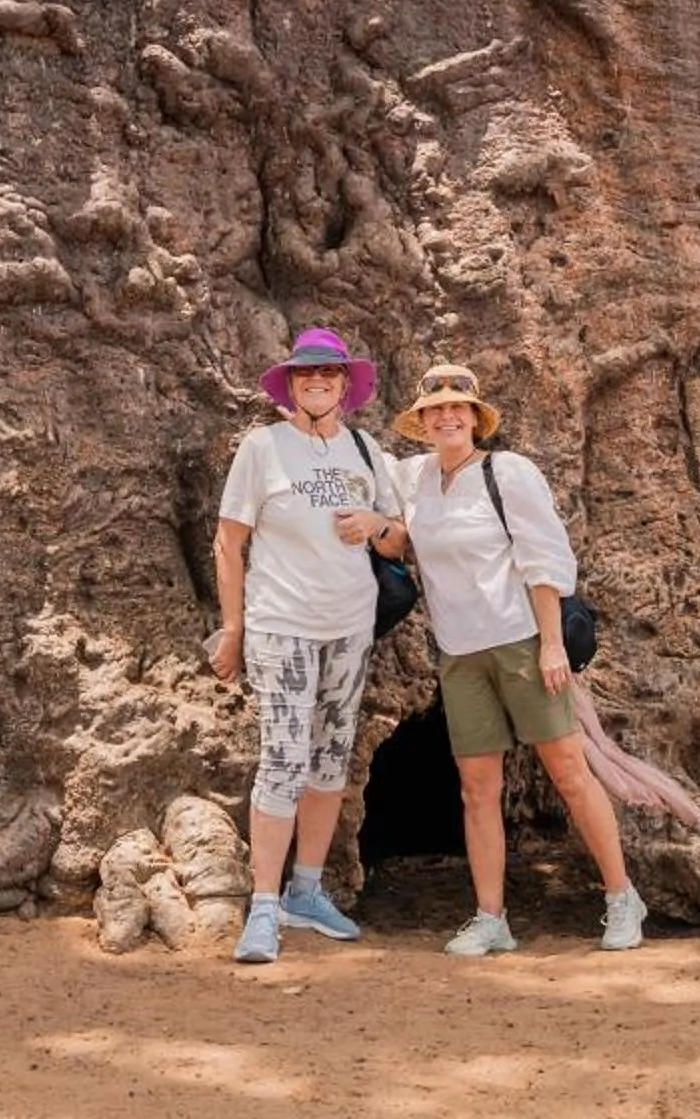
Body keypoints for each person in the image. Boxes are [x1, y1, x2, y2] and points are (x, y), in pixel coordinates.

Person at [366, 363, 646, 956]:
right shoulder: (414, 479)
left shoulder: (508, 473)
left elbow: (543, 558)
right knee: (477, 787)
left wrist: (551, 644)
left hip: (521, 642)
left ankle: (623, 898)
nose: (447, 416)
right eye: (435, 409)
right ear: (421, 421)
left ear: (475, 417)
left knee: (569, 771)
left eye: (457, 407)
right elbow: (364, 471)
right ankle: (491, 917)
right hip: (459, 655)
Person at [213, 327, 390, 963]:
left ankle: (306, 891)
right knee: (284, 762)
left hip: (350, 624)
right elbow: (229, 542)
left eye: (328, 373)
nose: (317, 380)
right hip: (281, 623)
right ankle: (264, 905)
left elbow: (400, 539)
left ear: (346, 385)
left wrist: (376, 523)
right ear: (291, 384)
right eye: (305, 373)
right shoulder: (263, 447)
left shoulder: (366, 450)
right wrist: (233, 630)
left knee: (330, 760)